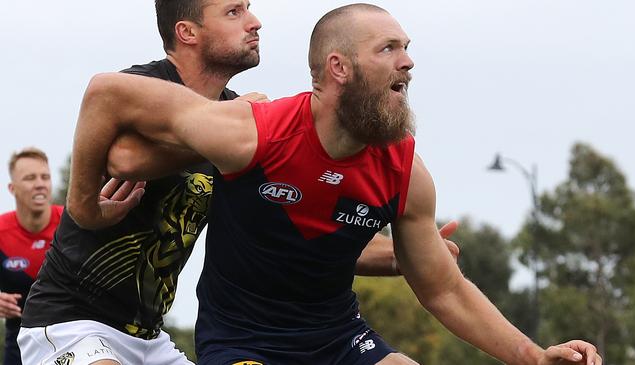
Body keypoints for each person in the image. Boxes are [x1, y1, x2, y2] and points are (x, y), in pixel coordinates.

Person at [62, 3, 603, 365]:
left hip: (338, 339)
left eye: (407, 47)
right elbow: (108, 97)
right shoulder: (253, 132)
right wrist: (85, 206)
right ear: (339, 68)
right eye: (388, 49)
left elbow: (443, 288)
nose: (409, 62)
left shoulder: (405, 173)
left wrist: (535, 356)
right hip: (243, 343)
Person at [17, 2, 430, 365]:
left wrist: (404, 257)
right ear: (188, 33)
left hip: (147, 335)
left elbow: (289, 231)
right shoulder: (148, 88)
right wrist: (83, 206)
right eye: (235, 12)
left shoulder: (242, 124)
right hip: (72, 319)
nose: (255, 22)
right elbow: (123, 159)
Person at [0, 148, 63, 365]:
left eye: (45, 177)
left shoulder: (71, 225)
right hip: (19, 349)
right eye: (30, 178)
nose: (40, 184)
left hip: (73, 343)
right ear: (12, 188)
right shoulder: (1, 233)